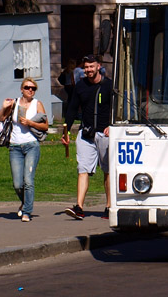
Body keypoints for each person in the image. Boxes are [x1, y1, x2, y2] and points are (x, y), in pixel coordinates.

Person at [61, 54, 115, 220]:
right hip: (86, 133)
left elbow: (118, 108)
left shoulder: (109, 85)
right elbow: (72, 108)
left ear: (98, 66)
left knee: (107, 171)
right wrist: (67, 131)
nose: (88, 70)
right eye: (86, 67)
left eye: (91, 66)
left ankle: (109, 207)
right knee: (83, 169)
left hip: (105, 133)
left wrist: (112, 127)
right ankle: (79, 207)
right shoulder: (80, 86)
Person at [0, 77, 48, 222]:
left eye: (33, 88)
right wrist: (4, 107)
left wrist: (30, 122)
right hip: (15, 147)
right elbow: (0, 118)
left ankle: (27, 211)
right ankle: (25, 203)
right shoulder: (14, 103)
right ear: (22, 89)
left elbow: (45, 126)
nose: (30, 90)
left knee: (28, 180)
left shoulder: (37, 104)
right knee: (17, 183)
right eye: (27, 87)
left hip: (31, 145)